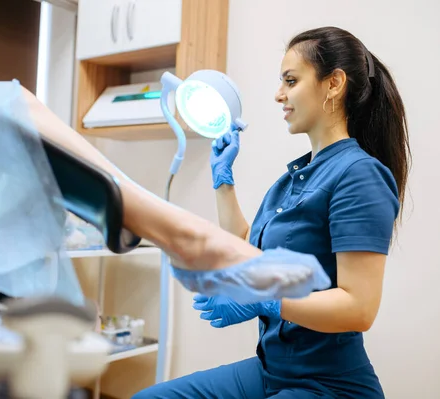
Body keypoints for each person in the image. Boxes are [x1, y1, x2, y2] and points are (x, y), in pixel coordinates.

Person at [131, 26, 411, 398]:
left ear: (334, 84)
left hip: (328, 384)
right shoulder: (294, 177)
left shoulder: (359, 174)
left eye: (291, 81)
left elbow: (358, 308)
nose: (279, 94)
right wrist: (223, 179)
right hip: (271, 370)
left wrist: (262, 297)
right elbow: (247, 247)